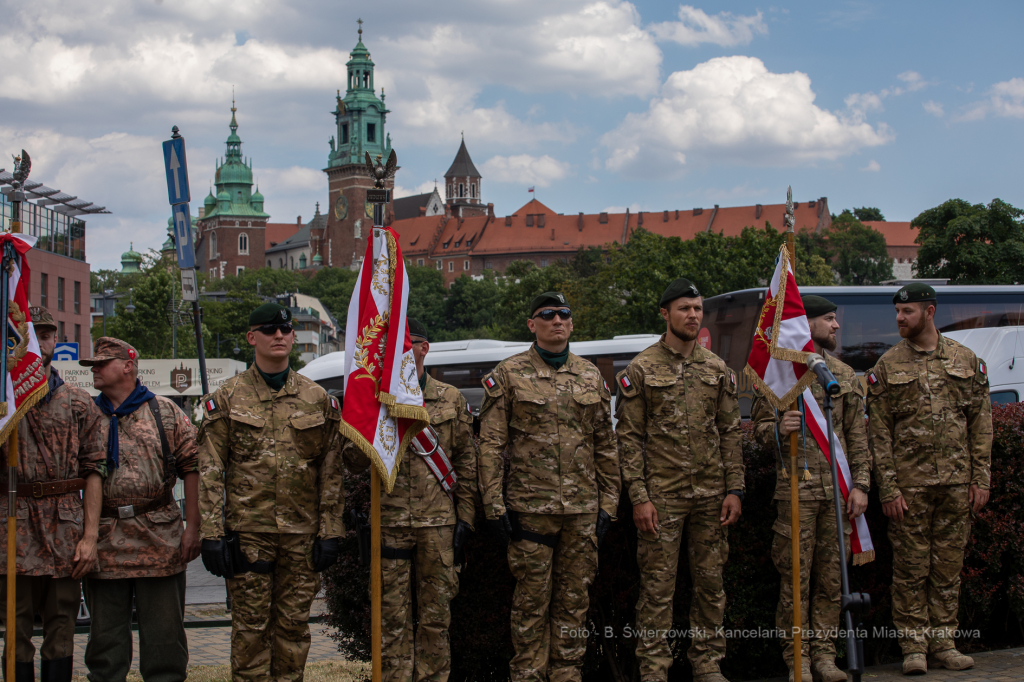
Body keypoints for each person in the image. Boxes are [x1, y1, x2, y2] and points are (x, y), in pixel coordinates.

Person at [197, 302, 344, 682]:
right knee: (250, 631)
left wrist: (332, 530)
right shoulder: (227, 398)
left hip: (301, 534)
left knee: (294, 628)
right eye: (268, 330)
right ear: (252, 338)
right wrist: (211, 534)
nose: (278, 336)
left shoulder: (317, 398)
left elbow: (330, 469)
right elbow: (211, 469)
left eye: (285, 330)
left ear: (294, 336)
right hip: (250, 535)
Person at [478, 292, 619, 682]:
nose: (557, 321)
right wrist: (493, 504)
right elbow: (490, 445)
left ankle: (567, 676)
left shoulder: (590, 375)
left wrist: (610, 504)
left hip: (582, 513)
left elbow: (605, 444)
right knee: (530, 606)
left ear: (571, 323)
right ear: (532, 324)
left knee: (575, 605)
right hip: (530, 512)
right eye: (547, 315)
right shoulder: (508, 374)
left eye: (564, 314)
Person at [615, 278, 742, 682]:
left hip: (711, 497)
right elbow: (628, 438)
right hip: (662, 499)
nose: (692, 315)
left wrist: (735, 489)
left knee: (711, 586)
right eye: (684, 308)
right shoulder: (641, 368)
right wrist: (638, 496)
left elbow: (730, 432)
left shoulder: (716, 368)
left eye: (697, 309)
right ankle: (654, 670)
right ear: (665, 314)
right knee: (657, 590)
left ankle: (707, 665)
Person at [344, 319, 479, 682]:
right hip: (388, 524)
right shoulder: (373, 399)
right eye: (392, 346)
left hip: (439, 526)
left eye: (409, 343)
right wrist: (370, 420)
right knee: (391, 621)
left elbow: (467, 462)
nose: (400, 351)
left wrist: (466, 518)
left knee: (437, 620)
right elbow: (351, 462)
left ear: (424, 348)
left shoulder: (450, 398)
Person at [867, 283, 991, 675]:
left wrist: (981, 479)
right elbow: (878, 434)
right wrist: (887, 487)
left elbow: (981, 424)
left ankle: (944, 643)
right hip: (909, 489)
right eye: (898, 312)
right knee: (909, 569)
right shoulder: (887, 366)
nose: (900, 318)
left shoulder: (966, 360)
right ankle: (913, 648)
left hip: (956, 485)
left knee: (947, 568)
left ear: (930, 311)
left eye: (908, 312)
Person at [751, 294, 870, 682]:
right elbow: (755, 433)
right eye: (830, 319)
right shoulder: (779, 374)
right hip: (796, 493)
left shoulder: (843, 375)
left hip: (838, 495)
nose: (836, 326)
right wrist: (775, 430)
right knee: (796, 582)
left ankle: (824, 655)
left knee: (831, 582)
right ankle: (797, 658)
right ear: (808, 325)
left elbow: (856, 437)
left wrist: (862, 486)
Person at [80, 337, 200, 682]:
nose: (96, 370)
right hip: (104, 540)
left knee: (165, 641)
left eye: (102, 364)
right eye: (93, 366)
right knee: (105, 645)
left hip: (159, 538)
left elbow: (192, 467)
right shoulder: (87, 414)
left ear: (128, 366)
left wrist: (193, 527)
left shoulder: (164, 410)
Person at [0, 307, 105, 682]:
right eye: (29, 335)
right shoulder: (2, 404)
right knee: (16, 622)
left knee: (62, 621)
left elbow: (94, 471)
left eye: (45, 336)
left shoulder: (78, 402)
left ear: (55, 341)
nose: (38, 344)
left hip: (64, 526)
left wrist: (90, 537)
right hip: (13, 523)